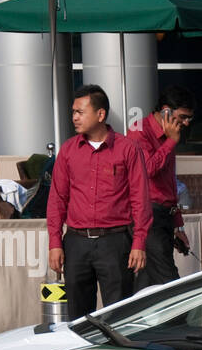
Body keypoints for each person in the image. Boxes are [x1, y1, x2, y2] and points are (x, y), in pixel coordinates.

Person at [47, 84, 151, 321]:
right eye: (73, 112)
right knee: (78, 318)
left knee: (118, 317)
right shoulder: (68, 150)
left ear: (100, 114)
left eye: (80, 112)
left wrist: (139, 242)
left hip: (115, 242)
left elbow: (140, 198)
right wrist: (55, 241)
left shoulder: (128, 149)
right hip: (76, 242)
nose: (74, 117)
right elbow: (57, 199)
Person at [128, 85, 195, 292]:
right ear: (166, 110)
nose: (185, 123)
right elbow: (147, 169)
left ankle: (138, 322)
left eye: (189, 118)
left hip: (163, 214)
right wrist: (171, 142)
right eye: (183, 117)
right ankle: (182, 321)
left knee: (148, 282)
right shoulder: (139, 131)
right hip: (146, 215)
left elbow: (168, 183)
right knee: (169, 282)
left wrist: (178, 225)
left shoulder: (168, 135)